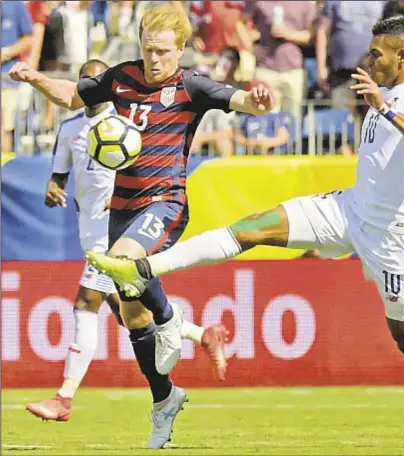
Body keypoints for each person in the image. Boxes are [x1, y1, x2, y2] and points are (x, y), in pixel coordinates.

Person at [86, 17, 404, 448]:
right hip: (347, 209)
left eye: (378, 54)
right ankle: (142, 267)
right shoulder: (385, 95)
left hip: (392, 236)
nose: (369, 60)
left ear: (403, 57)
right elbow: (403, 154)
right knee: (252, 228)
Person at [9, 3, 273, 449]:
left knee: (128, 264)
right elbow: (72, 95)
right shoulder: (119, 77)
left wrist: (261, 100)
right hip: (121, 209)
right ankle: (165, 397)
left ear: (181, 49)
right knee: (133, 314)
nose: (154, 60)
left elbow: (246, 101)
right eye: (148, 50)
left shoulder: (191, 85)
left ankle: (171, 320)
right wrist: (34, 79)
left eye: (163, 52)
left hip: (165, 203)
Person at [25, 60, 229, 434]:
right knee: (129, 315)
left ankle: (64, 397)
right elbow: (59, 175)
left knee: (85, 304)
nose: (92, 90)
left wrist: (126, 199)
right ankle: (202, 336)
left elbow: (146, 169)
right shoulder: (71, 129)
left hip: (114, 232)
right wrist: (54, 188)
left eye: (96, 82)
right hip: (88, 232)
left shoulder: (126, 127)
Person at [1, 0, 33, 153]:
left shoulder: (16, 6)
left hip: (7, 79)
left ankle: (3, 170)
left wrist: (5, 53)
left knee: (5, 127)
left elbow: (28, 39)